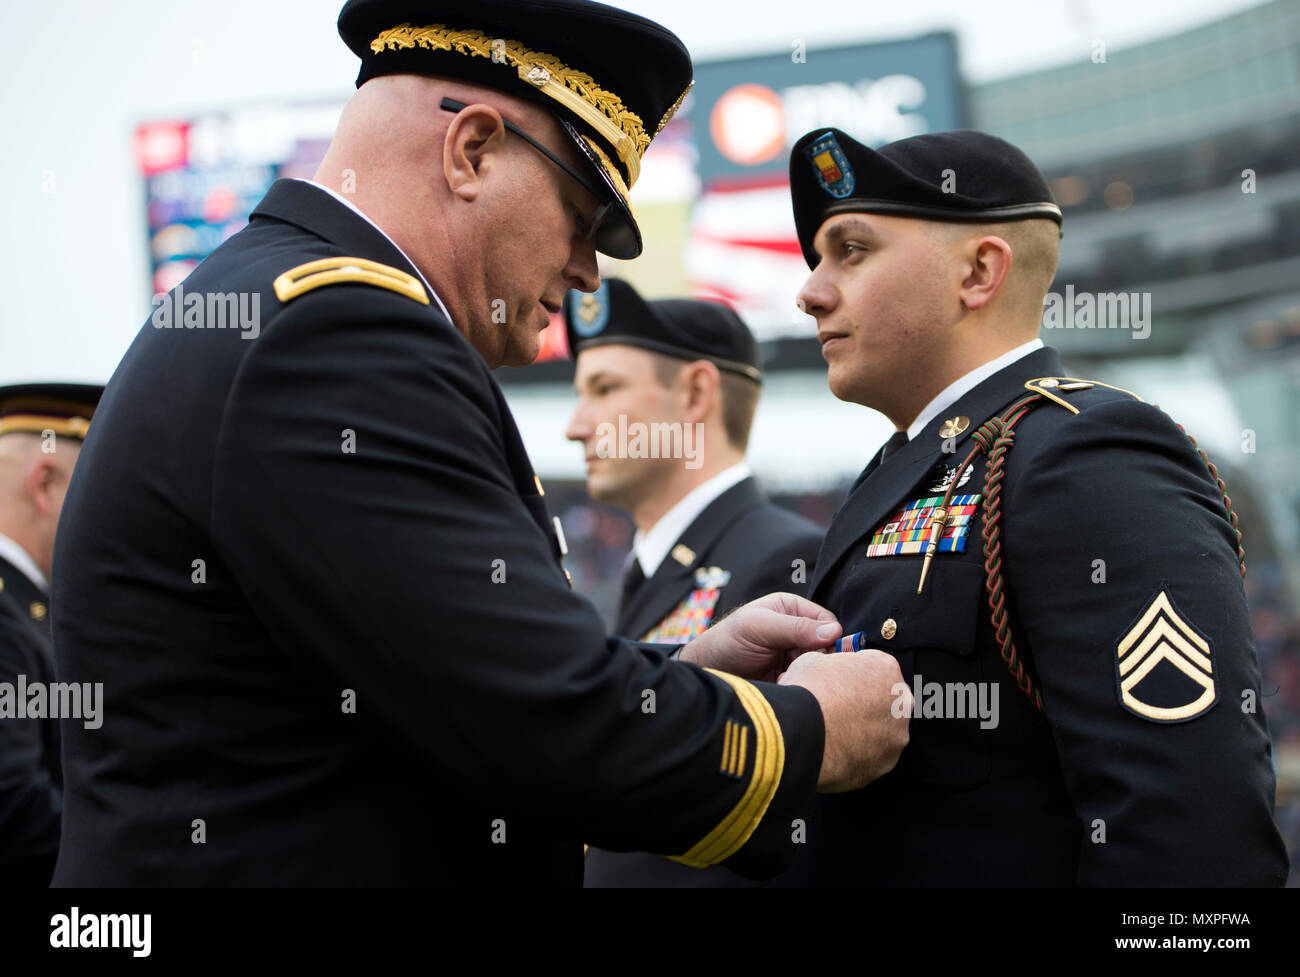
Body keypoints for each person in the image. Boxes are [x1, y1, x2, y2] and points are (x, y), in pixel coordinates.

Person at [50, 0, 909, 887]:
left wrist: (682, 670)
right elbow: (550, 729)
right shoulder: (339, 331)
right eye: (580, 216)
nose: (587, 273)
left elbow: (441, 678)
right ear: (473, 152)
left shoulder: (272, 304)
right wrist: (810, 728)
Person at [780, 126, 1290, 886]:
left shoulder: (1086, 456)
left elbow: (1190, 835)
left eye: (851, 250)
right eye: (819, 258)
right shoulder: (904, 469)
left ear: (979, 271)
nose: (811, 289)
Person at [563, 278, 824, 887]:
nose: (576, 426)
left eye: (604, 388)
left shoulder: (781, 559)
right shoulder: (647, 567)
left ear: (695, 392)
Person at [0, 383, 101, 886]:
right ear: (43, 485)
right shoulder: (7, 615)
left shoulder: (25, 605)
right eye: (91, 491)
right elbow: (13, 809)